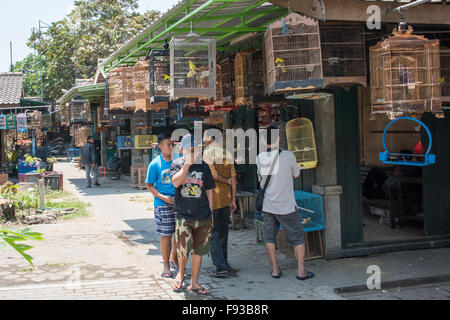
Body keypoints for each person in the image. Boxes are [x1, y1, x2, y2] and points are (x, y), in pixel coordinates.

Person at [256, 125, 314, 281]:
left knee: (269, 237)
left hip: (268, 206)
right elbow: (296, 174)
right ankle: (301, 271)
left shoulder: (260, 158)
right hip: (287, 205)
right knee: (298, 237)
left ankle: (275, 269)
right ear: (279, 138)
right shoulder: (288, 156)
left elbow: (260, 180)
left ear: (263, 140)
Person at [170, 134, 216, 295]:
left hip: (203, 216)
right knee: (183, 250)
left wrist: (211, 208)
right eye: (190, 150)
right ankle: (181, 274)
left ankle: (194, 282)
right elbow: (176, 182)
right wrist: (187, 166)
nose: (193, 153)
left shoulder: (204, 166)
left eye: (195, 150)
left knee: (199, 250)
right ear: (181, 149)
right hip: (184, 216)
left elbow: (209, 189)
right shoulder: (176, 164)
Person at [203, 126, 237, 278]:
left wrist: (225, 180)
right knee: (223, 233)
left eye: (205, 136)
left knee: (214, 234)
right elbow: (233, 178)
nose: (203, 139)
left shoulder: (207, 154)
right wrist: (233, 198)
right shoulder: (227, 153)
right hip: (226, 199)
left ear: (212, 138)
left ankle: (221, 267)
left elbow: (213, 175)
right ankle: (225, 264)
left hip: (213, 200)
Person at [145, 133, 178, 278]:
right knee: (166, 235)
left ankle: (174, 256)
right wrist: (162, 197)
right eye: (168, 144)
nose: (171, 147)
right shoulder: (155, 164)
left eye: (172, 144)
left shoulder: (179, 161)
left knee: (180, 233)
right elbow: (149, 185)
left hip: (179, 202)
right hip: (162, 204)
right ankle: (166, 266)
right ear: (160, 147)